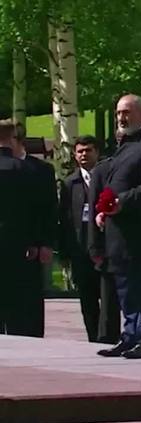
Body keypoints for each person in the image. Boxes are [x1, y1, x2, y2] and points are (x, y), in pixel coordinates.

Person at [92, 95, 141, 359]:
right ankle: (130, 335)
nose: (121, 118)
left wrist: (120, 202)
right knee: (125, 288)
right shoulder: (124, 144)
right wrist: (105, 211)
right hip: (118, 231)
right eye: (118, 113)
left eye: (126, 112)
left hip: (139, 232)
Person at [58, 136, 120, 343]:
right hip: (81, 250)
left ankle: (109, 336)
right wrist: (65, 252)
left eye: (88, 150)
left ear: (97, 152)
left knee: (110, 296)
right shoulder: (70, 184)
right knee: (87, 298)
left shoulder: (108, 178)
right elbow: (64, 219)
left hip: (106, 248)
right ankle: (93, 337)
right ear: (75, 155)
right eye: (80, 151)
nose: (84, 155)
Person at [14, 123, 56, 337]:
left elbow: (49, 209)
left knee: (29, 298)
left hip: (32, 245)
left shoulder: (41, 170)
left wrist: (46, 242)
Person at [0, 119, 39, 335]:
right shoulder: (26, 169)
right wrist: (35, 240)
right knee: (16, 305)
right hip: (18, 244)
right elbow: (34, 209)